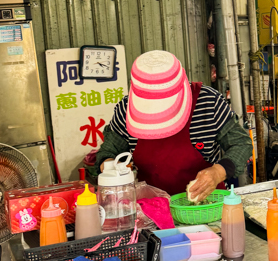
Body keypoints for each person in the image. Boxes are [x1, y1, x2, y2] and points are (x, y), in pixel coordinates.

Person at [93, 50, 252, 200]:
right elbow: (109, 151)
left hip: (206, 205)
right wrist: (111, 169)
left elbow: (241, 143)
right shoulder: (126, 110)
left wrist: (218, 172)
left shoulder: (208, 102)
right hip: (151, 208)